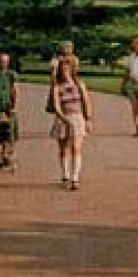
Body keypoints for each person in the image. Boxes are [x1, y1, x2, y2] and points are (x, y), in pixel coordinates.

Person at [49, 55, 93, 191]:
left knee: (76, 148)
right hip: (63, 118)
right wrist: (63, 118)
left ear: (72, 70)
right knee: (64, 149)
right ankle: (65, 175)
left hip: (77, 117)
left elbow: (86, 102)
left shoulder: (79, 84)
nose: (65, 72)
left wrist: (88, 119)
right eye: (62, 70)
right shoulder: (57, 86)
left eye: (67, 69)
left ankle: (75, 178)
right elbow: (56, 105)